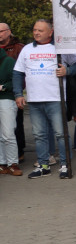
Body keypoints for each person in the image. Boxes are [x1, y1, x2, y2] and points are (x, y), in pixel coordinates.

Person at [12, 20, 76, 179]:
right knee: (39, 135)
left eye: (40, 30)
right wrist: (18, 94)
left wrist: (68, 70)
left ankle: (65, 165)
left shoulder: (60, 48)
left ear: (50, 32)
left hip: (55, 99)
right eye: (35, 30)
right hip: (35, 100)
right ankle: (44, 165)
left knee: (61, 134)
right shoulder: (27, 49)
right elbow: (18, 73)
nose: (36, 33)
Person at [0, 22, 25, 161]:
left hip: (13, 93)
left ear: (9, 32)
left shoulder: (18, 48)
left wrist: (18, 89)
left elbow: (23, 72)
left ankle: (18, 153)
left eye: (1, 31)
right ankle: (3, 159)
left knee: (16, 125)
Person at [0, 44, 17, 175]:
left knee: (8, 134)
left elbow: (16, 81)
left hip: (6, 99)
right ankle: (2, 164)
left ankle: (13, 163)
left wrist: (2, 87)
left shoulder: (8, 61)